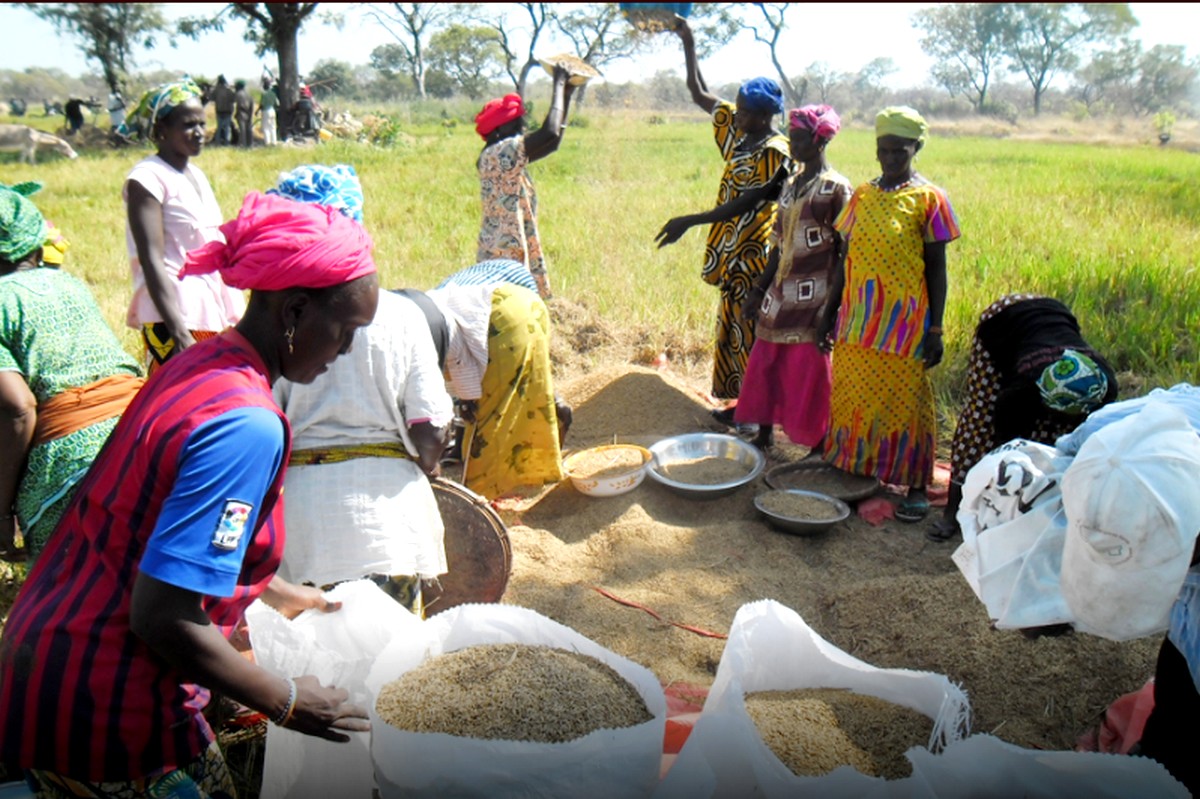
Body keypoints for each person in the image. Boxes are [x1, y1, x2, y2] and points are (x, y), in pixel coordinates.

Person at [0, 190, 379, 793]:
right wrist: (286, 700)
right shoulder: (246, 425)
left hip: (52, 651)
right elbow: (162, 615)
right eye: (347, 330)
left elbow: (161, 527)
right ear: (295, 312)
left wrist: (277, 593)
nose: (349, 349)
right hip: (108, 704)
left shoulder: (201, 362)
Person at [270, 164, 454, 615]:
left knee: (315, 671)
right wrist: (425, 462)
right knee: (397, 670)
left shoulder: (274, 317)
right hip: (389, 525)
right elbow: (430, 428)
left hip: (303, 526)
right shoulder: (399, 314)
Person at [816, 106, 960, 523]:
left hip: (904, 327)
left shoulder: (930, 198)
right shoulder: (862, 195)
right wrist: (829, 314)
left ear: (916, 148)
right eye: (884, 149)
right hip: (858, 323)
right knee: (853, 398)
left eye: (900, 149)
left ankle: (915, 484)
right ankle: (857, 473)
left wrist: (937, 327)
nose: (891, 157)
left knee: (905, 404)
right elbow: (846, 260)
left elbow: (937, 268)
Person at [0, 183, 144, 562]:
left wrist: (2, 510)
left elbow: (18, 408)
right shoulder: (69, 283)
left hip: (69, 464)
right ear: (36, 243)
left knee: (73, 595)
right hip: (139, 432)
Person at [658, 18, 791, 424]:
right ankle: (741, 404)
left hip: (755, 250)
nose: (737, 116)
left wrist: (690, 220)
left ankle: (758, 410)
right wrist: (688, 41)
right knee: (732, 325)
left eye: (746, 112)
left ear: (766, 115)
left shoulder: (776, 149)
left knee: (752, 327)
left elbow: (747, 203)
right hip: (729, 249)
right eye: (737, 107)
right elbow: (698, 93)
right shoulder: (739, 137)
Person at [930, 294, 1117, 542]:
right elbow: (1004, 453)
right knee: (979, 424)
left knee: (1060, 445)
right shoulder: (1021, 394)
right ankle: (951, 514)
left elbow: (1088, 451)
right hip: (1003, 323)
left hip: (1055, 315)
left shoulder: (1103, 388)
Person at [734, 105, 852, 451]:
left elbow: (846, 251)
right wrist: (758, 290)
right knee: (768, 360)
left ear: (819, 142)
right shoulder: (790, 184)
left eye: (799, 139)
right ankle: (766, 433)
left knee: (809, 370)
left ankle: (818, 443)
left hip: (815, 294)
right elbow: (777, 243)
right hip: (780, 291)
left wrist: (832, 308)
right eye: (792, 137)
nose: (793, 144)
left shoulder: (836, 189)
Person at [123, 78, 245, 376]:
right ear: (160, 130)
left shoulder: (195, 174)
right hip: (175, 315)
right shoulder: (147, 179)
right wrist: (178, 332)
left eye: (203, 124)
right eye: (189, 125)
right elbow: (152, 259)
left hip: (207, 308)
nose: (200, 133)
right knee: (178, 400)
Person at [421, 264, 569, 500]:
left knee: (494, 426)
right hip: (527, 307)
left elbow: (460, 365)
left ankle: (487, 502)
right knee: (526, 396)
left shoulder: (429, 321)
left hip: (503, 315)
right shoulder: (436, 303)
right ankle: (540, 470)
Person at [474, 64, 575, 300]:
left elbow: (552, 143)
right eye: (516, 124)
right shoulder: (502, 153)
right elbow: (548, 132)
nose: (522, 129)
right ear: (500, 130)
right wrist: (558, 83)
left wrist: (567, 96)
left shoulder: (500, 157)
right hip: (504, 255)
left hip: (504, 249)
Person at [210, 74, 235, 146]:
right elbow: (233, 99)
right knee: (227, 128)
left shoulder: (216, 90)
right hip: (228, 111)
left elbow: (211, 98)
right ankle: (227, 143)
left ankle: (217, 143)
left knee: (219, 128)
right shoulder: (229, 90)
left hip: (219, 111)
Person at [259, 78, 279, 146]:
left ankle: (267, 142)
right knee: (273, 127)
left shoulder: (264, 94)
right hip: (272, 111)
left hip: (266, 111)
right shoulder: (273, 93)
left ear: (265, 86)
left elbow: (262, 104)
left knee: (266, 127)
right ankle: (274, 142)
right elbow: (277, 103)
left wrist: (257, 111)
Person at [234, 79, 254, 148]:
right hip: (249, 113)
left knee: (242, 130)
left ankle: (242, 144)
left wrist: (236, 114)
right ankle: (250, 144)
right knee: (249, 129)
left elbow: (237, 104)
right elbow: (252, 105)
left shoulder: (238, 94)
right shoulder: (249, 94)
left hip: (241, 113)